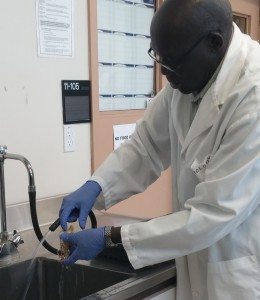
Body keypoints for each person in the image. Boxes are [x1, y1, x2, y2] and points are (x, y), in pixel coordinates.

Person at [59, 0, 260, 299]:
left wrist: (112, 237)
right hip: (195, 263)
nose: (165, 75)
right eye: (159, 60)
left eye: (172, 64)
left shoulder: (252, 96)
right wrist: (96, 185)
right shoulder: (190, 78)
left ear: (213, 44)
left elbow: (212, 213)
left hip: (234, 270)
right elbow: (146, 146)